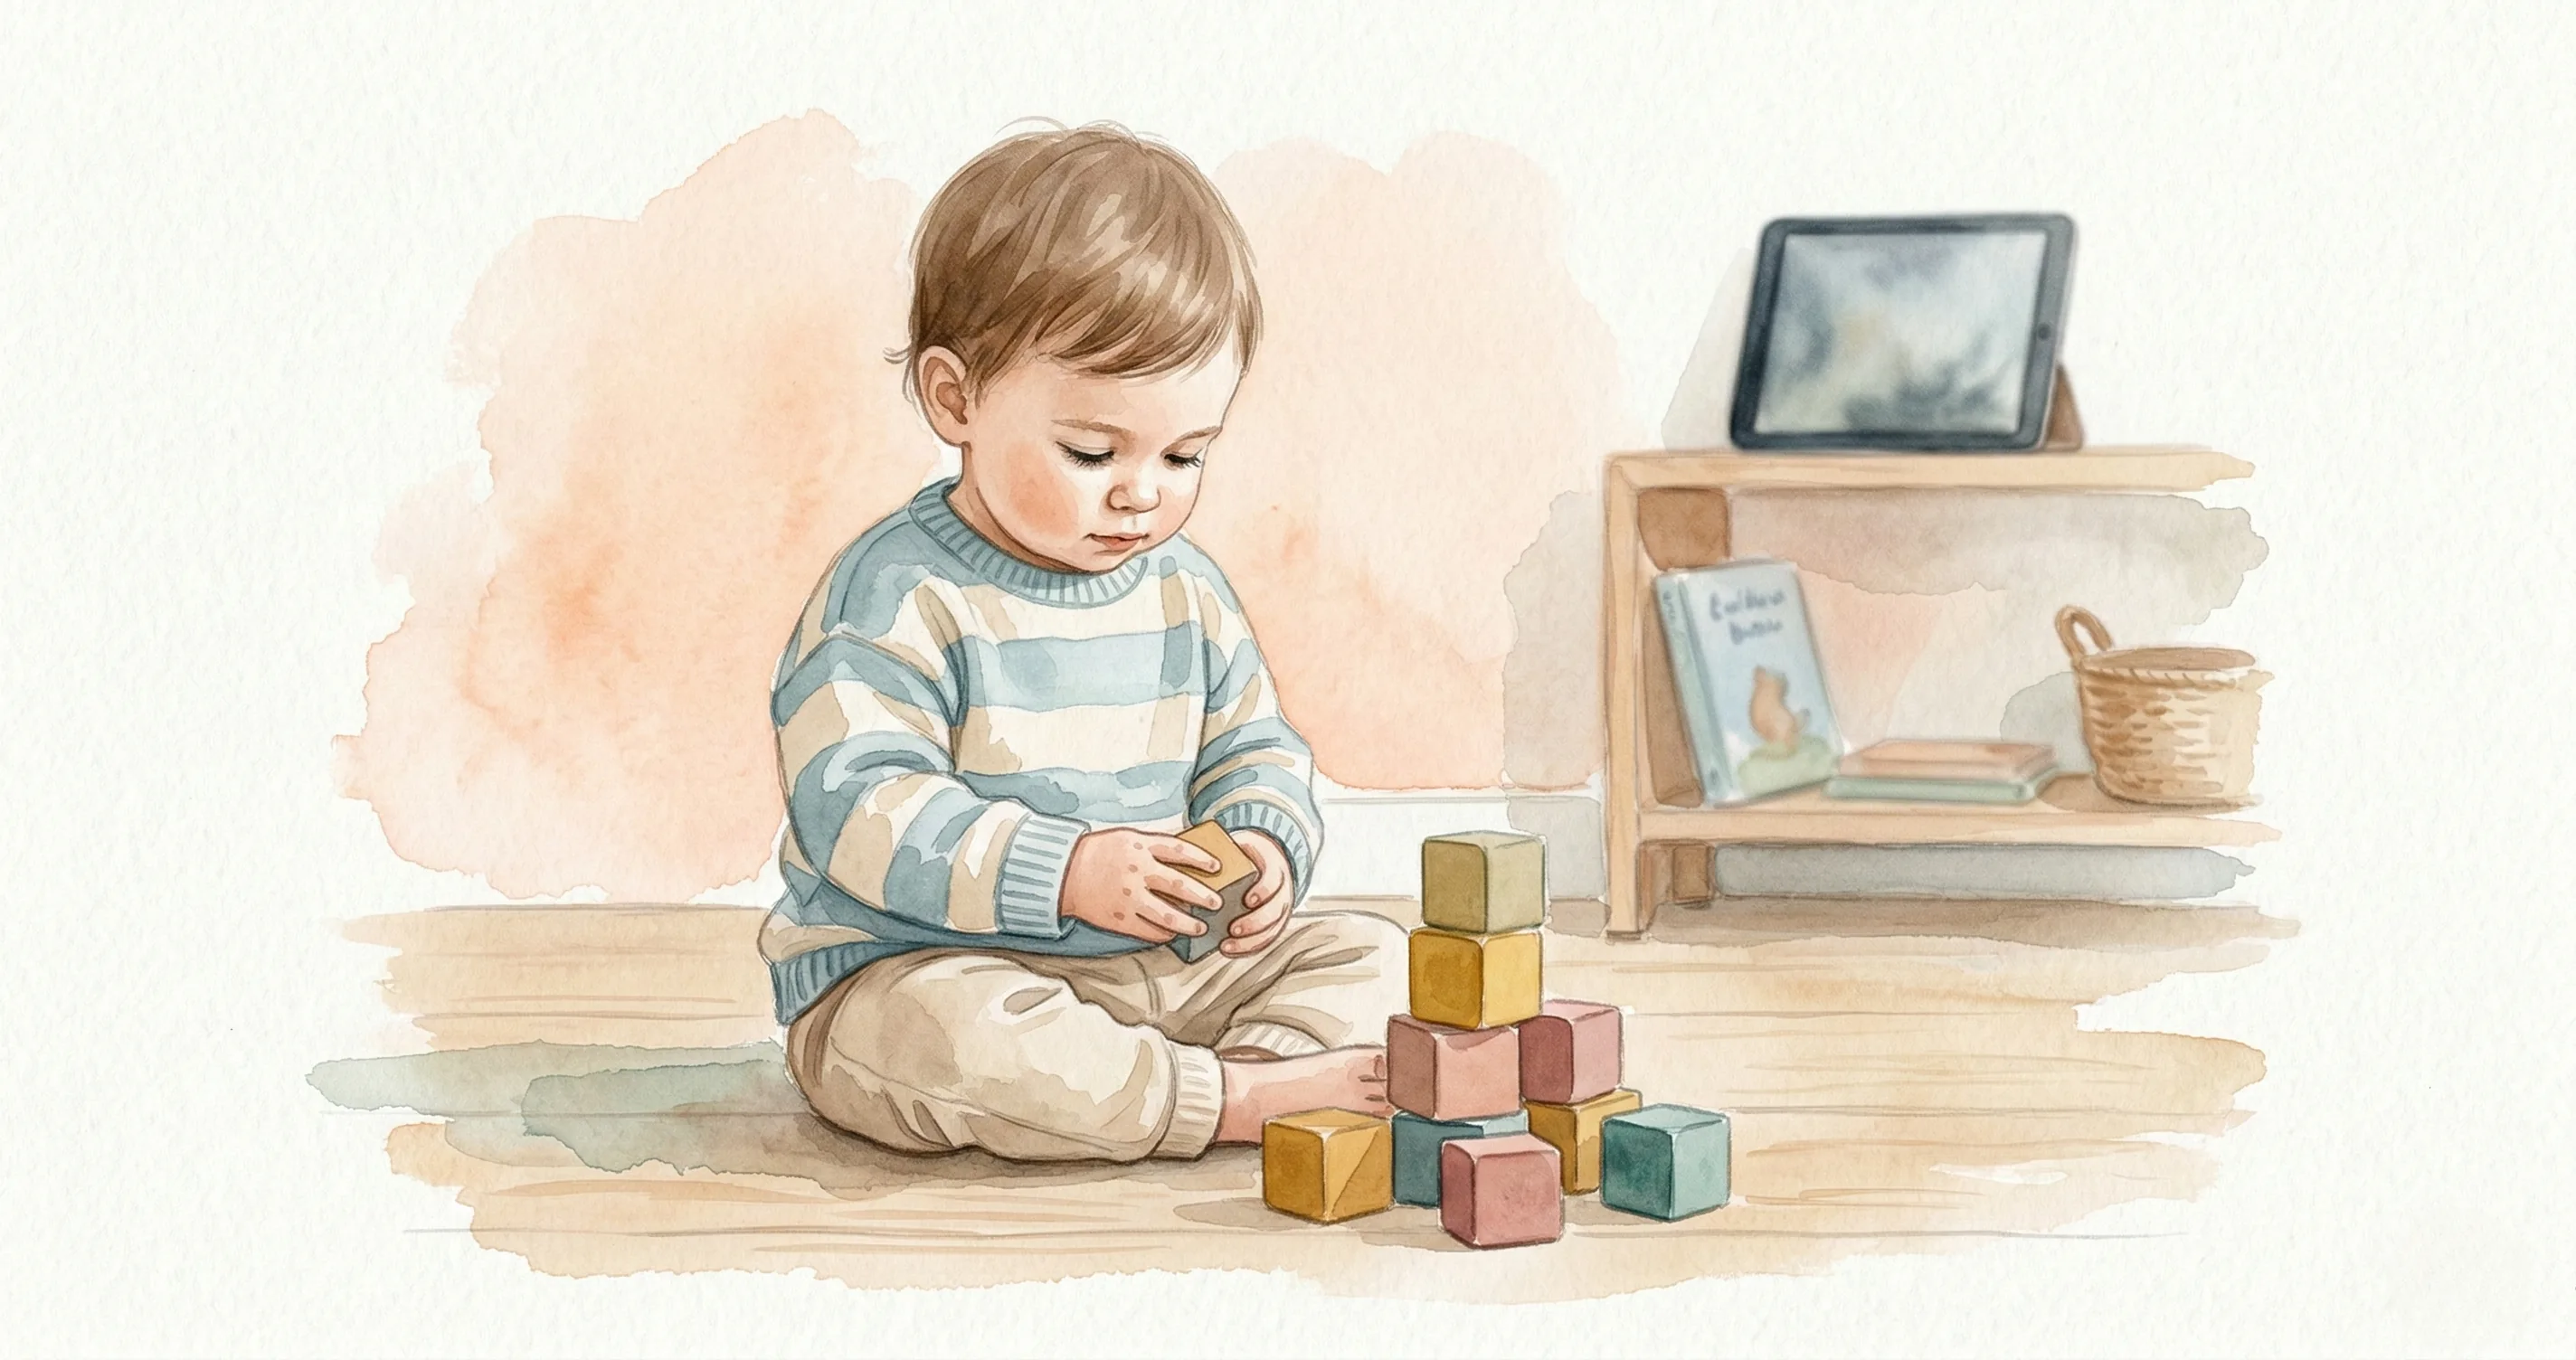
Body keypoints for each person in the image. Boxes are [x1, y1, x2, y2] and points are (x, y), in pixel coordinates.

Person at [763, 123, 1406, 1163]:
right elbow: (860, 803)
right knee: (945, 1036)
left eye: (1186, 453)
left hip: (1159, 971)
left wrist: (1261, 838)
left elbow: (1253, 743)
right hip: (922, 961)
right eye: (1090, 449)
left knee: (1377, 955)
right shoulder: (893, 593)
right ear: (955, 398)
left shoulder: (1185, 591)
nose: (1141, 492)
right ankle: (1226, 1100)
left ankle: (1258, 1074)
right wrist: (1059, 872)